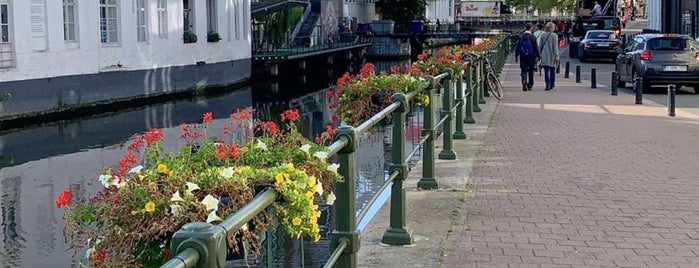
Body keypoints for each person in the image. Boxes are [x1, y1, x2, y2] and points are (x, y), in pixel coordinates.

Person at [515, 23, 540, 91]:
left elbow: (518, 47)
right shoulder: (533, 37)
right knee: (531, 71)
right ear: (531, 28)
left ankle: (524, 80)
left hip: (523, 56)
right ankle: (530, 85)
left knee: (523, 70)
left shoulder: (521, 37)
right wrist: (539, 57)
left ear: (525, 28)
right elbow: (536, 48)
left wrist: (516, 56)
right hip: (531, 56)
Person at [538, 22, 560, 91]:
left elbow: (540, 46)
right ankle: (552, 84)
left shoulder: (543, 35)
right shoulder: (554, 36)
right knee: (552, 70)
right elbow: (555, 46)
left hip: (544, 55)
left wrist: (539, 55)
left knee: (546, 71)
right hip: (552, 55)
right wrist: (557, 55)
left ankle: (547, 85)